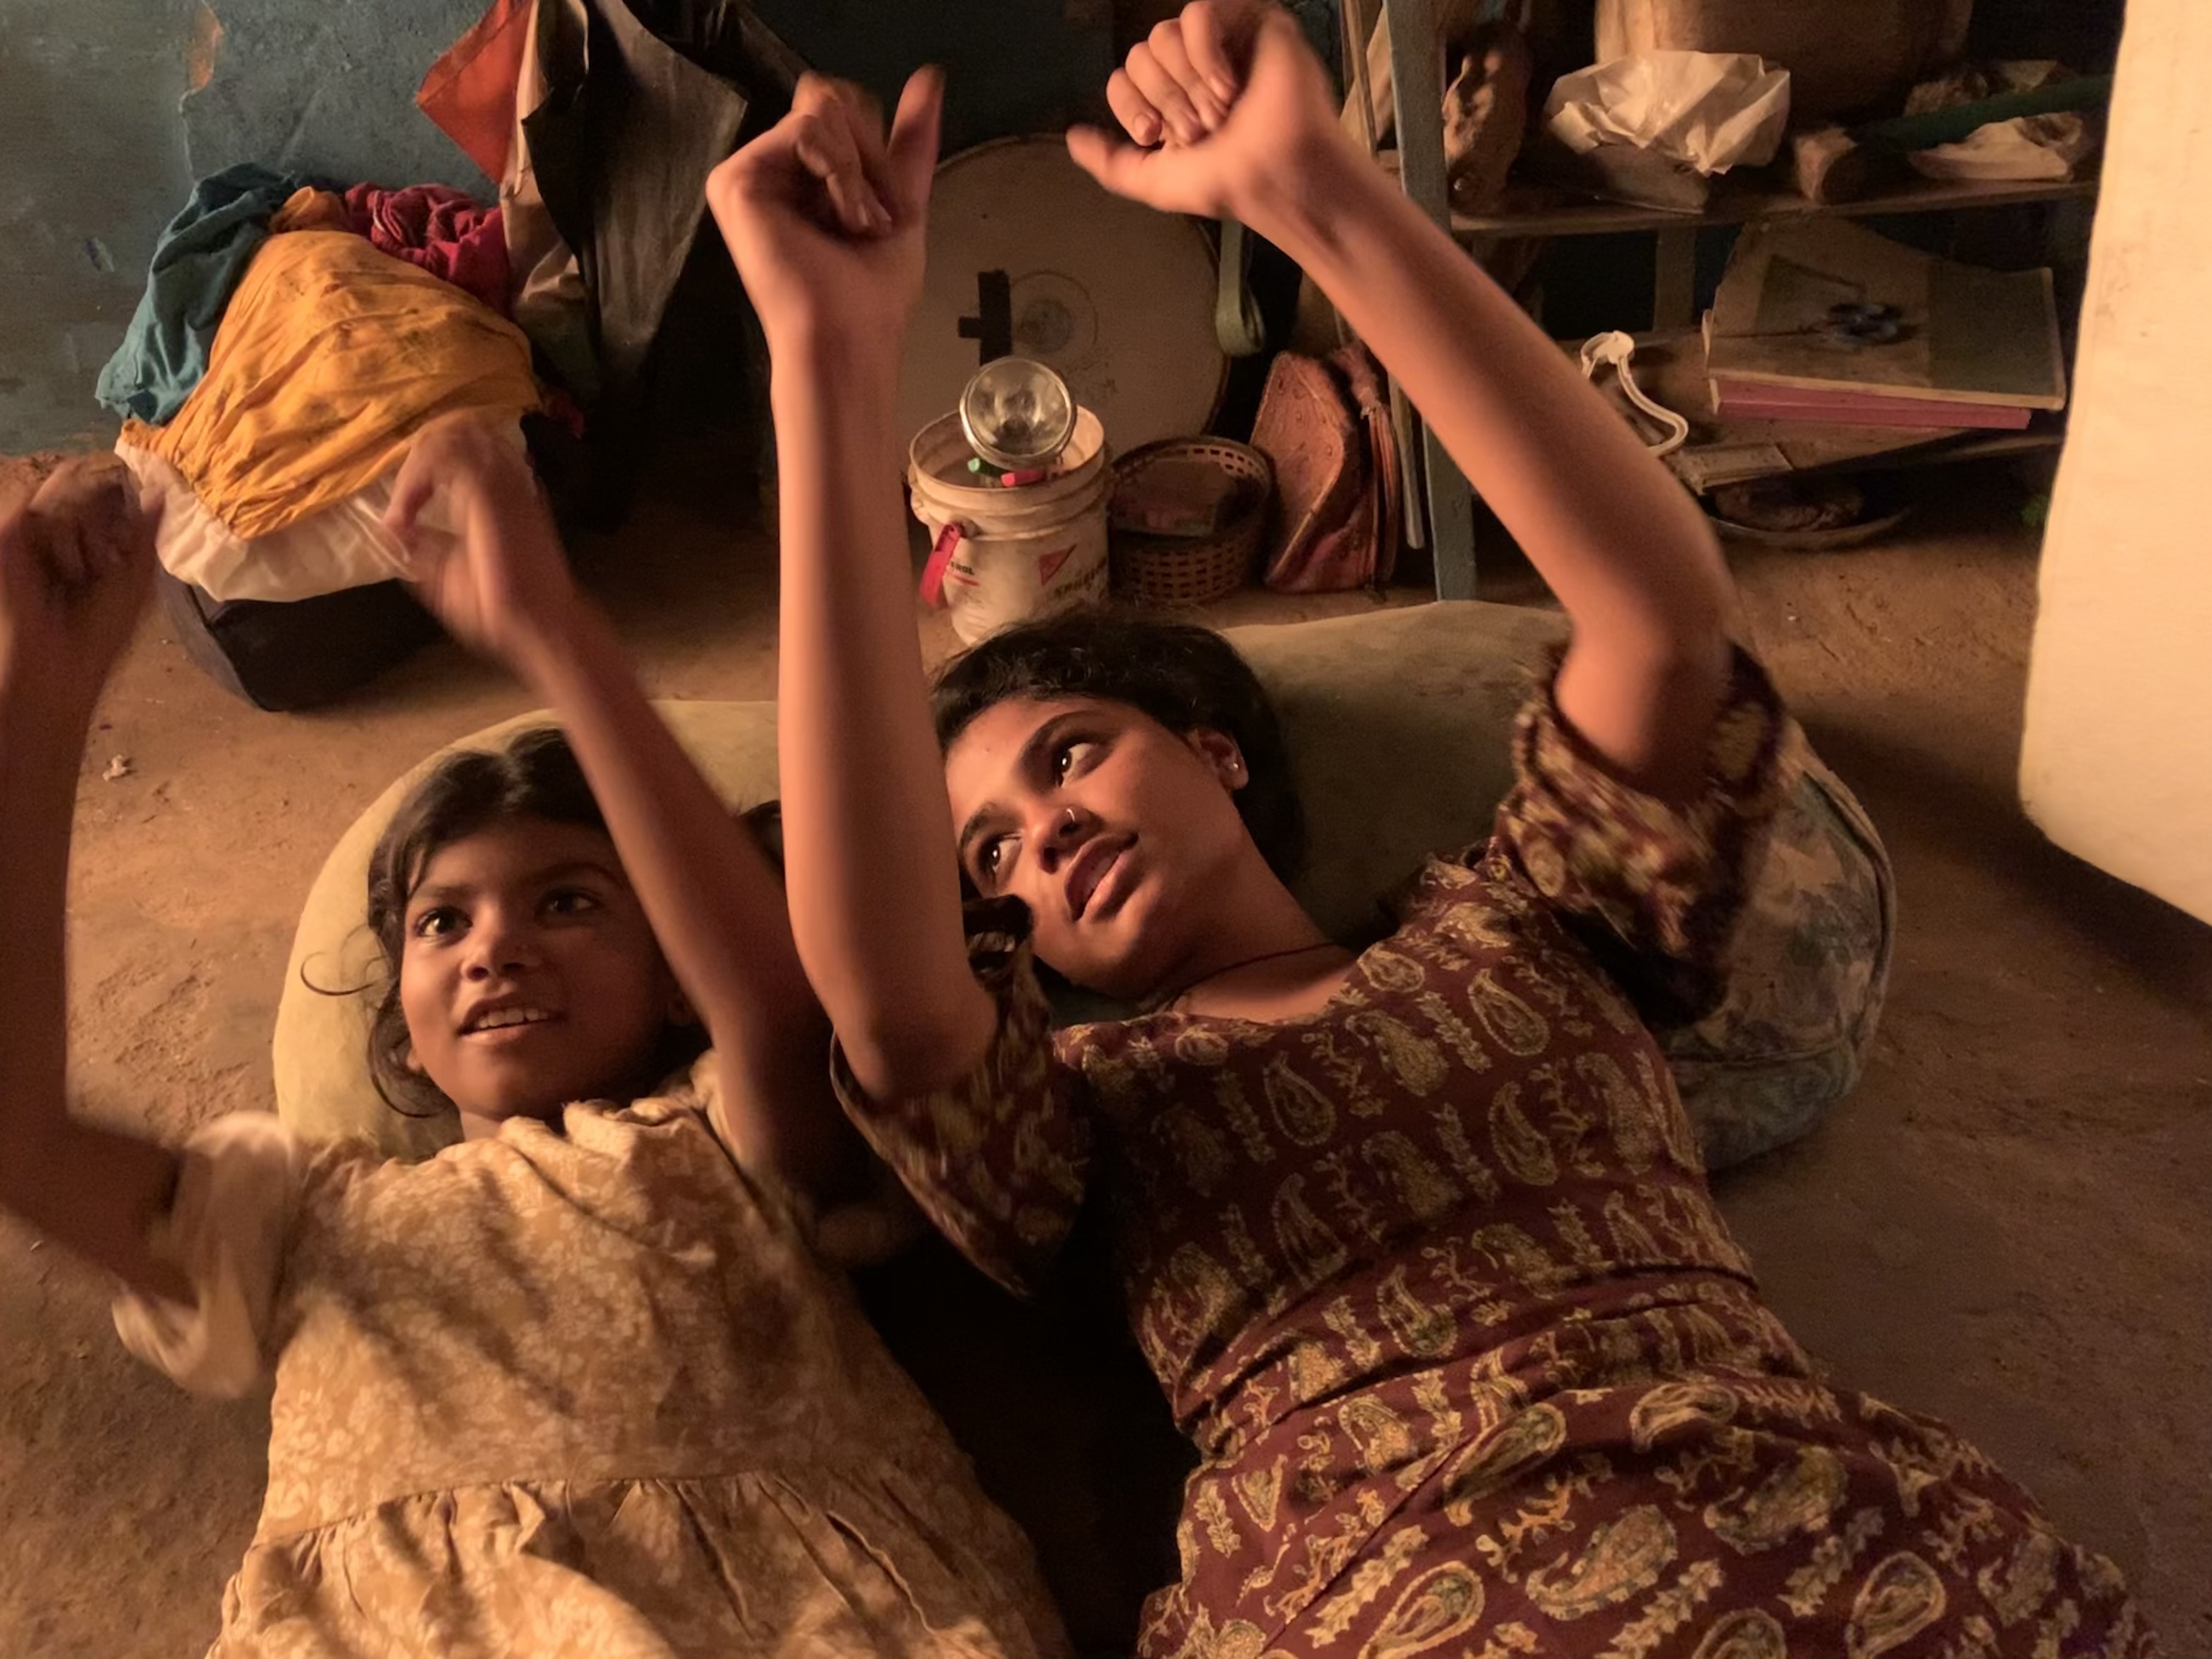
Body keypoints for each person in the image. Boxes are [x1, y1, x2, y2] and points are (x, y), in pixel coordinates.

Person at [710, 5, 2153, 1655]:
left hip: (1812, 1541)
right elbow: (891, 1000)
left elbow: (1660, 627)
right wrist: (828, 361)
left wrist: (1325, 196)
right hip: (1382, 1584)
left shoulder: (1526, 921)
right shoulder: (1084, 1107)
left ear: (1214, 752)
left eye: (1071, 757)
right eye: (989, 857)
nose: (1041, 836)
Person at [0, 443, 1069, 1658]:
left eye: (567, 903)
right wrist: (40, 694)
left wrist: (558, 634)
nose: (493, 949)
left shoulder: (723, 1141)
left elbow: (773, 1007)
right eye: (441, 924)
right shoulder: (293, 1222)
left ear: (675, 978)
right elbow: (19, 1141)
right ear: (403, 1029)